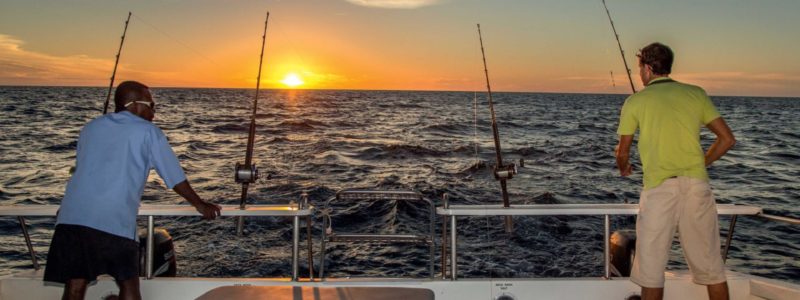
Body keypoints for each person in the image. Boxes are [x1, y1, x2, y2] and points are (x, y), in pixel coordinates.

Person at [44, 81, 222, 300]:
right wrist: (200, 204)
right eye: (152, 105)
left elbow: (82, 170)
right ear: (135, 104)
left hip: (72, 219)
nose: (154, 112)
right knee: (129, 284)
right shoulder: (148, 131)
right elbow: (174, 176)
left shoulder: (90, 127)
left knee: (74, 286)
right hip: (113, 221)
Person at [615, 43, 736, 300]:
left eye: (640, 69)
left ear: (647, 68)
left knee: (651, 272)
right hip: (697, 188)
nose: (639, 75)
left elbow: (622, 151)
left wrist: (624, 168)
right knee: (713, 269)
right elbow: (727, 139)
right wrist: (699, 164)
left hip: (660, 191)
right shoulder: (696, 93)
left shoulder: (635, 101)